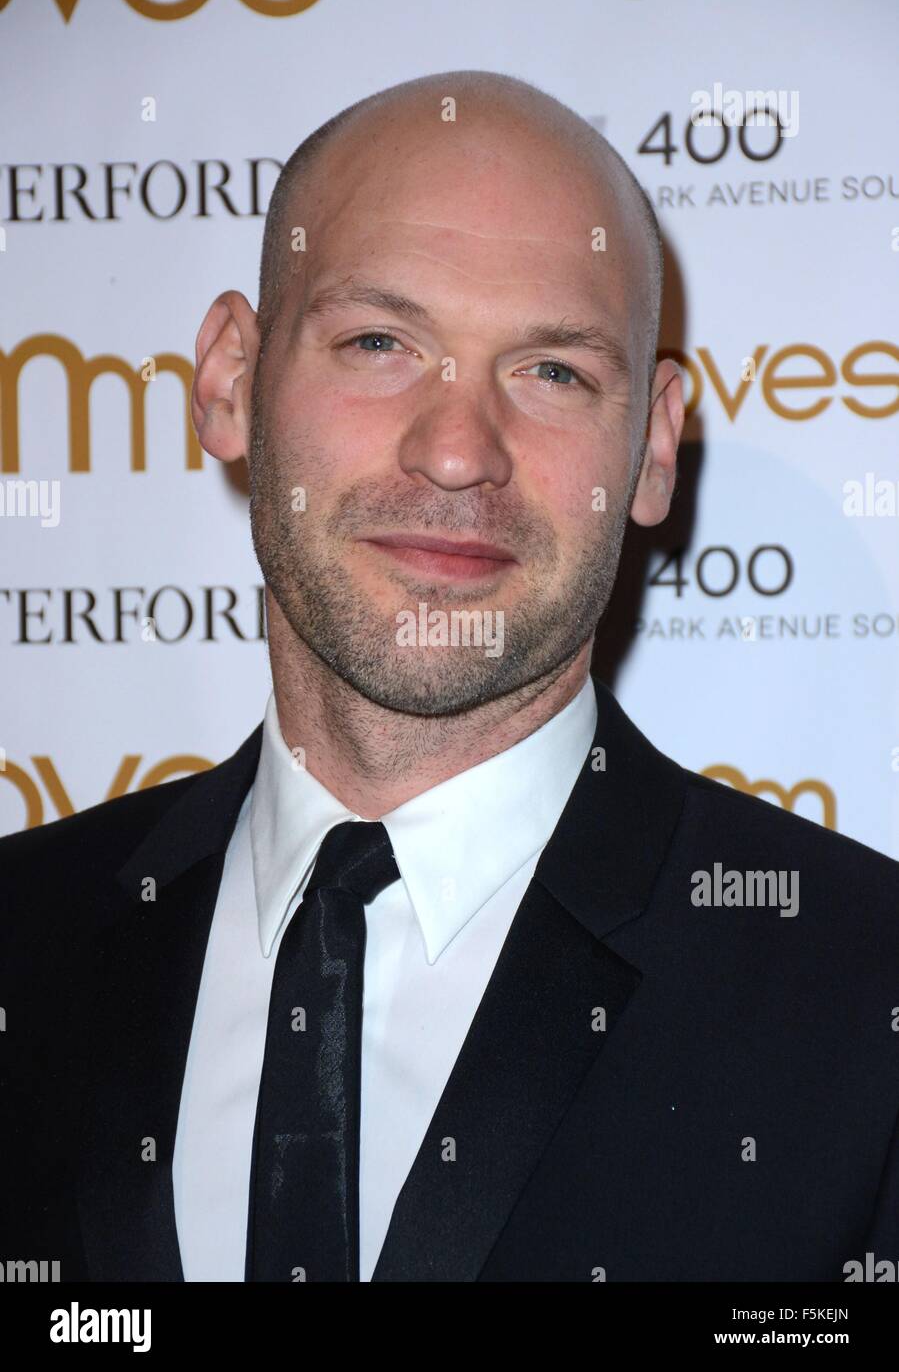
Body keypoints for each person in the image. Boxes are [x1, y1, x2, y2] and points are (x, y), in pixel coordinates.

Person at [2, 69, 898, 1284]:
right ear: (228, 383)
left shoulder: (862, 995)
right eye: (379, 342)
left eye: (551, 372)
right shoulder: (27, 938)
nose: (459, 449)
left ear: (649, 449)